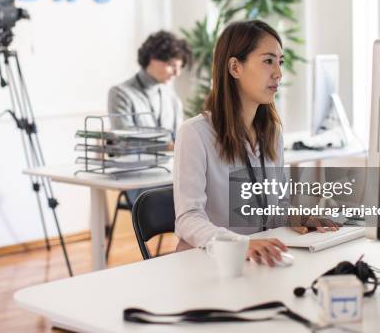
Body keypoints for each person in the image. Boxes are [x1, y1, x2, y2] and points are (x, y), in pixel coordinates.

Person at [174, 20, 338, 267]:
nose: (278, 74)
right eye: (268, 61)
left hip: (257, 262)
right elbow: (188, 219)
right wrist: (240, 244)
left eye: (280, 62)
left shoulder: (272, 133)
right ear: (235, 67)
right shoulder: (195, 134)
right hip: (208, 265)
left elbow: (275, 207)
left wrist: (298, 217)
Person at [107, 30, 192, 145]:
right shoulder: (120, 94)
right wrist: (169, 147)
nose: (177, 73)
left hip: (169, 163)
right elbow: (126, 142)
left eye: (180, 67)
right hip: (135, 163)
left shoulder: (172, 98)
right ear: (153, 59)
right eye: (172, 65)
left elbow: (178, 139)